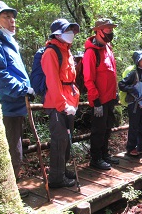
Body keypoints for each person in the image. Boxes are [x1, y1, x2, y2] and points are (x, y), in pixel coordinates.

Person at [0, 1, 34, 197]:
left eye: (12, 16)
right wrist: (23, 89)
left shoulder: (8, 41)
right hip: (8, 105)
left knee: (14, 146)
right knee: (11, 148)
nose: (12, 20)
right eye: (6, 16)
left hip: (15, 103)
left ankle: (11, 189)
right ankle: (9, 193)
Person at [41, 19, 80, 188]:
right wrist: (62, 105)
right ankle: (56, 178)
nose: (71, 33)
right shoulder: (51, 52)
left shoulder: (67, 52)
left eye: (72, 30)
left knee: (67, 138)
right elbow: (53, 81)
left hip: (69, 102)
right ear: (57, 33)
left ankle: (62, 170)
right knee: (60, 139)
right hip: (57, 103)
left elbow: (70, 80)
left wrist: (74, 101)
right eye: (67, 30)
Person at [82, 18, 119, 170]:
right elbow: (88, 79)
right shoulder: (91, 53)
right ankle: (96, 158)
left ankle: (104, 154)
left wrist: (115, 93)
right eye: (107, 29)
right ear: (98, 31)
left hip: (110, 98)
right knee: (98, 130)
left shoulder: (108, 49)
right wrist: (95, 100)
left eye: (111, 29)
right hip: (99, 100)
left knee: (108, 127)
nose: (110, 32)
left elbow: (112, 73)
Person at [118, 51, 142, 156]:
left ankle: (141, 147)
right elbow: (121, 84)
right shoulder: (133, 73)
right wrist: (131, 89)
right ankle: (131, 149)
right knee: (134, 126)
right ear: (137, 61)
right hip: (134, 104)